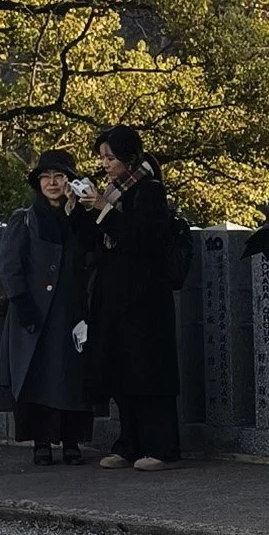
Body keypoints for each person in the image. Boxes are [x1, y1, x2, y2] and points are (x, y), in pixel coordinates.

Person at [82, 125, 182, 467]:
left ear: (129, 157)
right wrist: (85, 207)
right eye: (102, 157)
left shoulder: (149, 190)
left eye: (111, 157)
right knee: (120, 369)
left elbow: (142, 240)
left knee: (148, 370)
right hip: (114, 294)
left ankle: (161, 446)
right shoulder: (111, 191)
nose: (105, 164)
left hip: (145, 296)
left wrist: (103, 210)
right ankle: (129, 443)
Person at [0, 151, 95, 464]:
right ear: (38, 182)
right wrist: (22, 303)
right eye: (46, 177)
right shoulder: (25, 217)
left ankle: (71, 442)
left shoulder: (79, 217)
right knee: (36, 377)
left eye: (59, 176)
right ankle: (41, 442)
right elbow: (8, 263)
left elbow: (91, 254)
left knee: (71, 378)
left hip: (71, 310)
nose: (52, 182)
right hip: (33, 312)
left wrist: (76, 211)